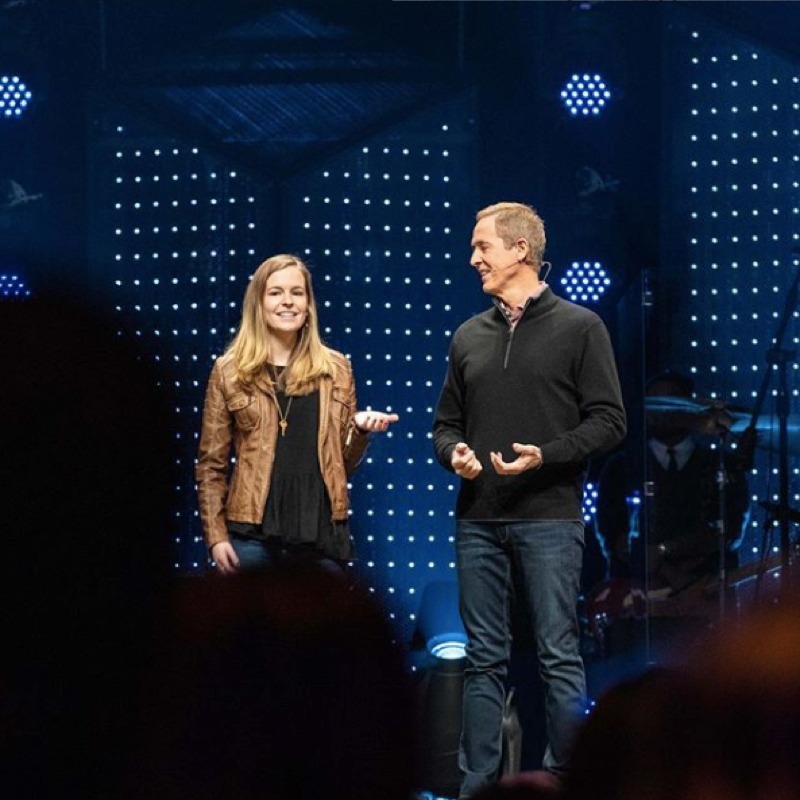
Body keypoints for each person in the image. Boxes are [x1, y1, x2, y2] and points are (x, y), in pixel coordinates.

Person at [432, 202, 626, 797]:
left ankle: (569, 783)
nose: (473, 259)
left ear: (520, 249)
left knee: (557, 655)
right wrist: (455, 455)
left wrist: (547, 454)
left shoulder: (580, 326)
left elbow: (611, 422)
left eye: (482, 246)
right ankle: (476, 787)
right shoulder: (469, 334)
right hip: (479, 521)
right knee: (483, 662)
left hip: (549, 519)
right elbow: (445, 426)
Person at [196, 253, 398, 574]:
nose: (287, 302)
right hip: (250, 537)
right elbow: (211, 466)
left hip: (318, 536)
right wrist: (216, 537)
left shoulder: (336, 369)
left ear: (308, 305)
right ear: (258, 303)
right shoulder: (229, 371)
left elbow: (342, 466)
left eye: (297, 292)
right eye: (276, 292)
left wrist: (359, 431)